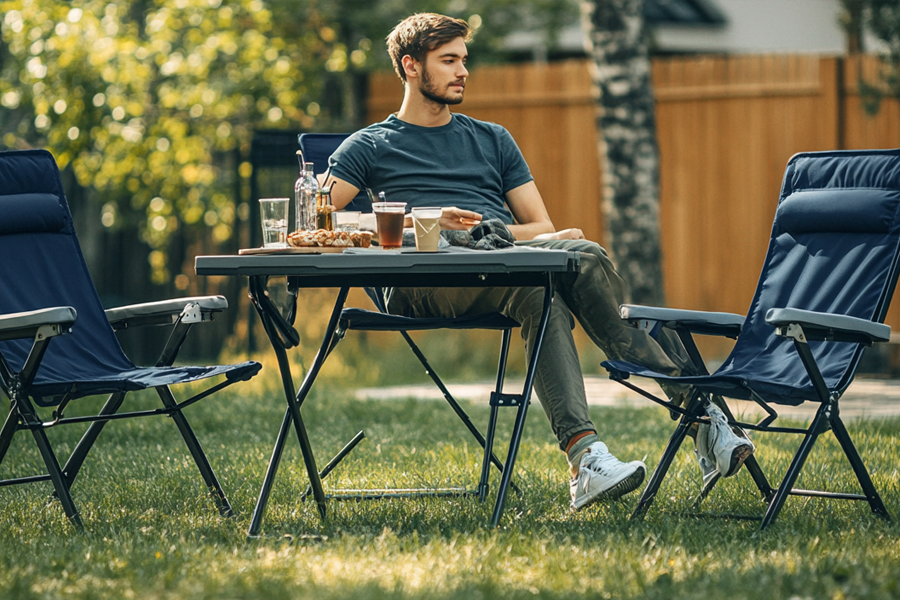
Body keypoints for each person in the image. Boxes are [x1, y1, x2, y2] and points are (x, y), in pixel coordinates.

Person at [324, 13, 754, 511]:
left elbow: (542, 228)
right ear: (411, 66)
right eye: (449, 61)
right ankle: (701, 412)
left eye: (465, 59)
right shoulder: (370, 145)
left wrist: (494, 231)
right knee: (559, 272)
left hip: (501, 256)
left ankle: (585, 457)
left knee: (563, 274)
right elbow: (318, 219)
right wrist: (426, 220)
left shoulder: (492, 139)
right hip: (424, 277)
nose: (464, 71)